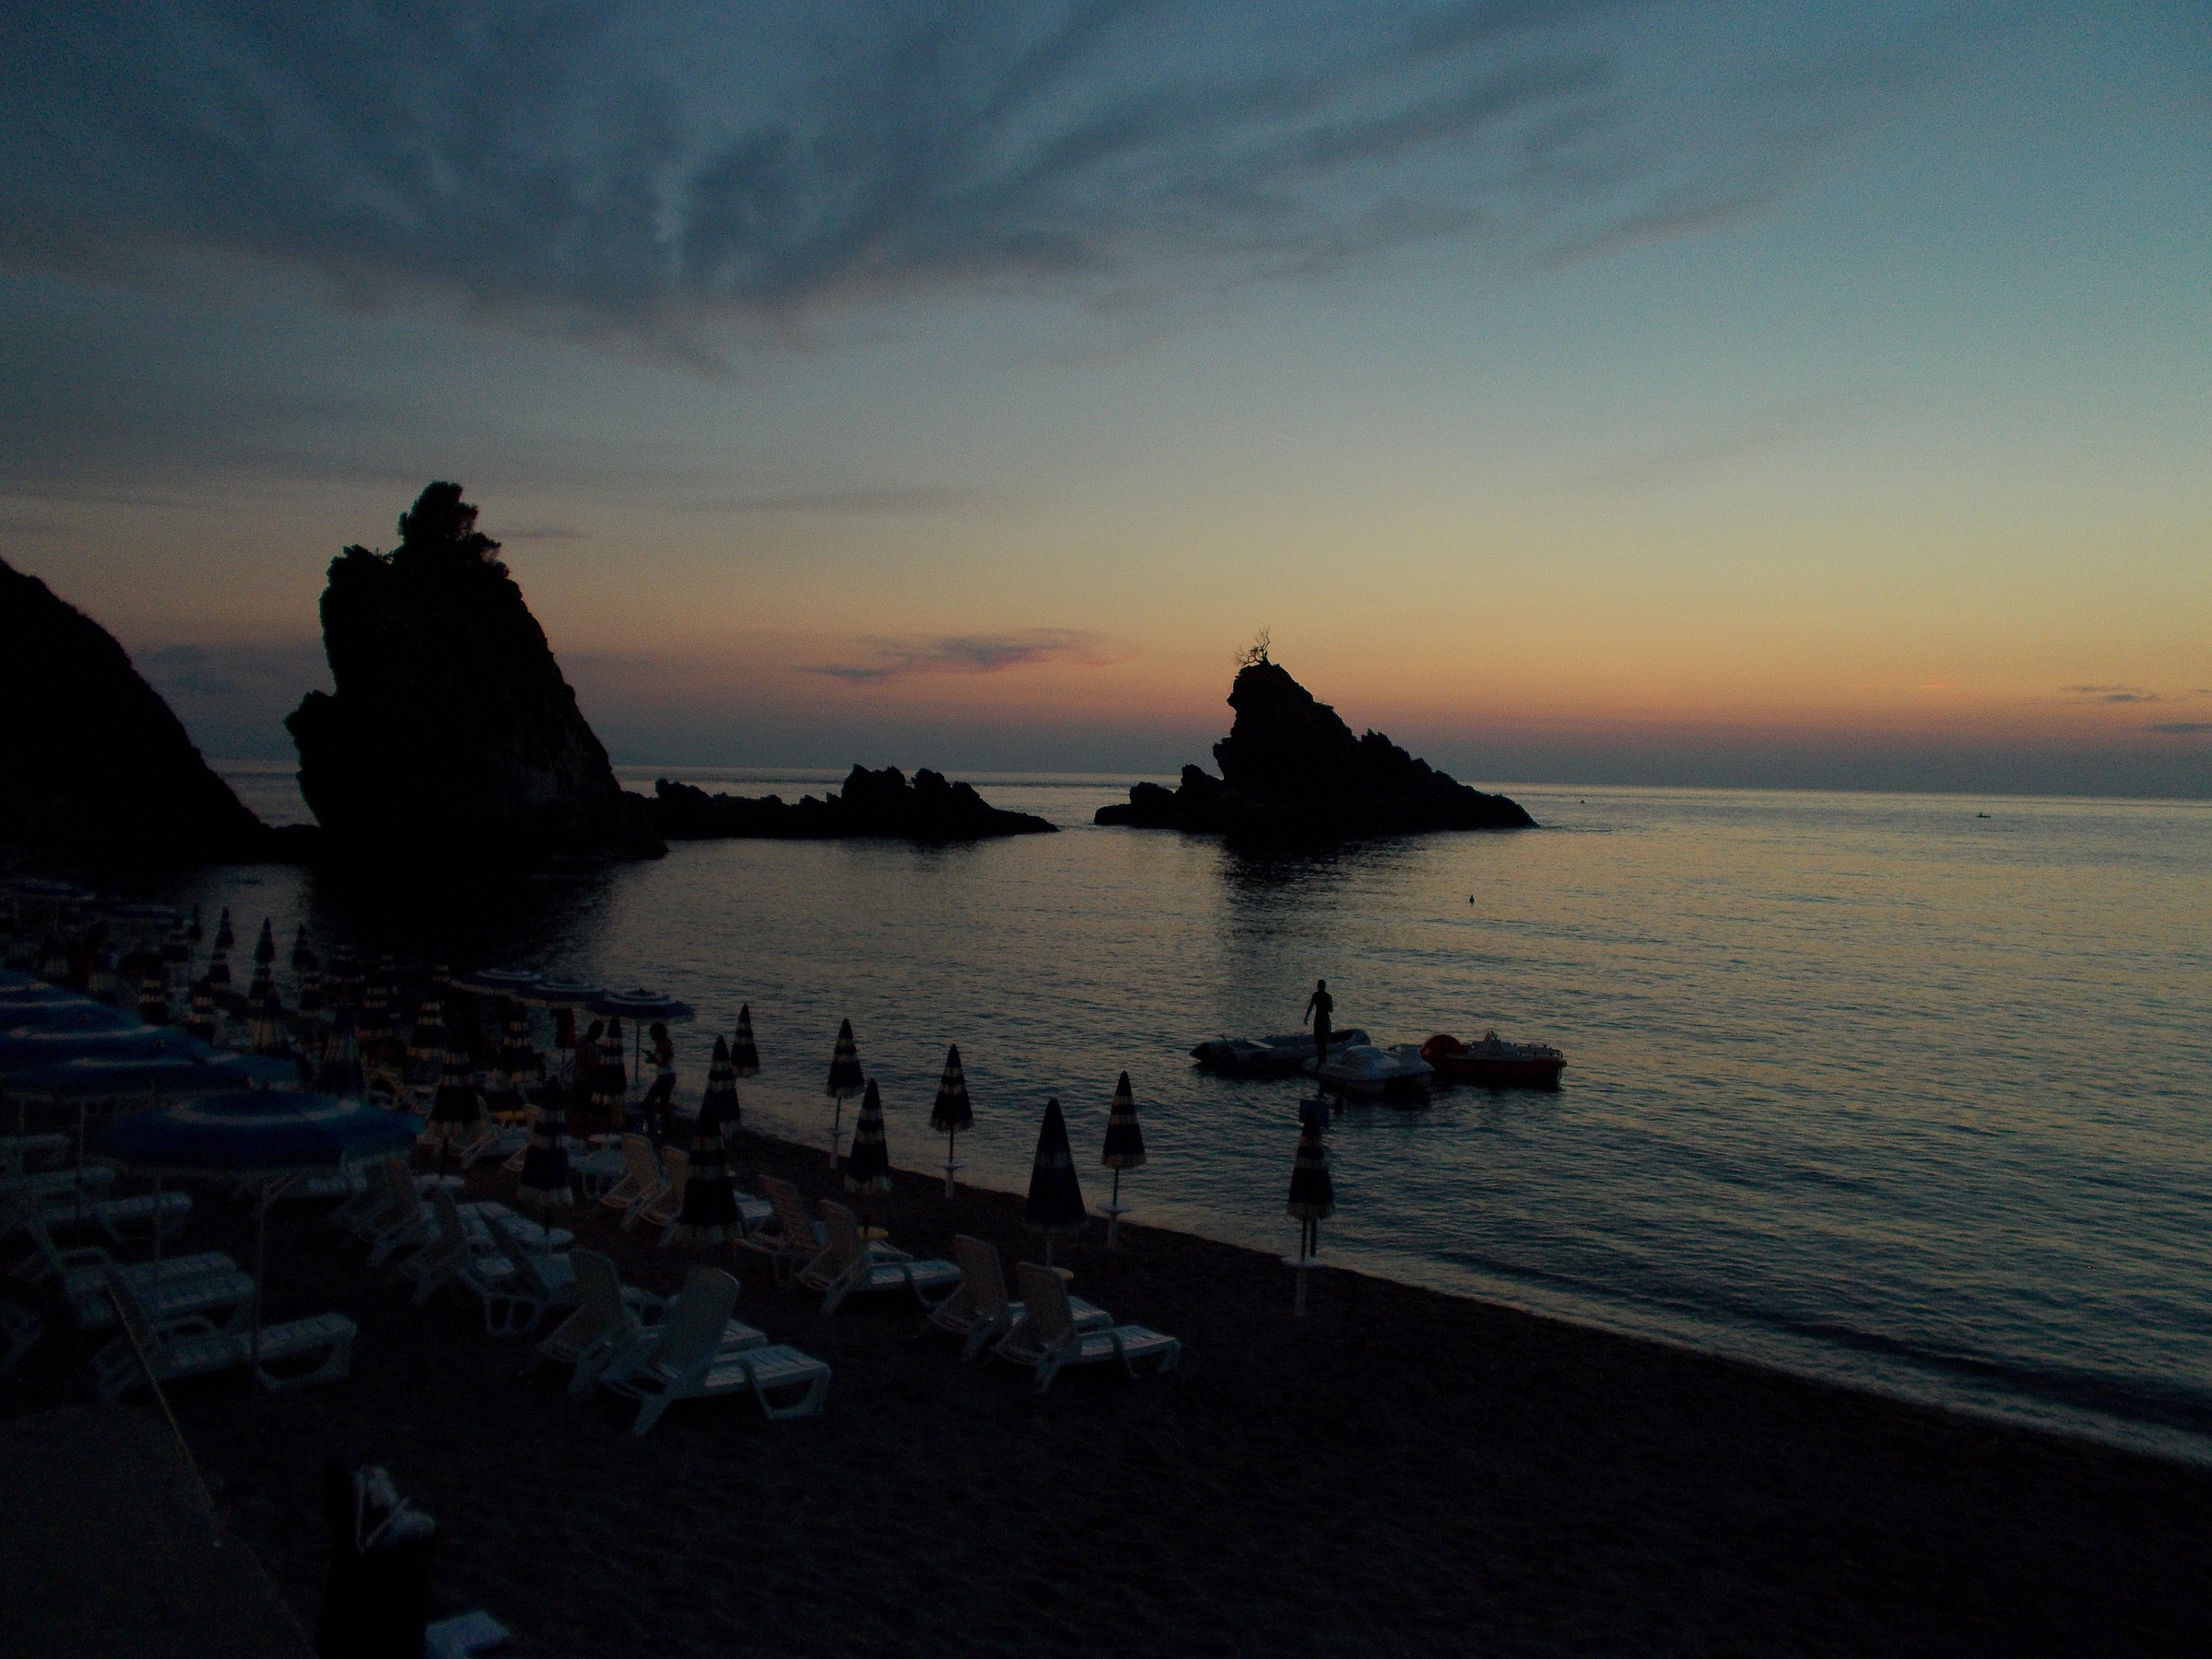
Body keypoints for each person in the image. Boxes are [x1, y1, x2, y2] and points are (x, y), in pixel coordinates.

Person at [640, 1020, 677, 1147]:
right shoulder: (665, 1043)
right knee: (663, 1103)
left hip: (665, 1077)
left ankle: (653, 1127)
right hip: (667, 1076)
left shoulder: (663, 1045)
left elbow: (664, 1063)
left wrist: (652, 1060)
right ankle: (667, 1128)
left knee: (649, 1102)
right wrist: (653, 1057)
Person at [1303, 978, 1335, 1067]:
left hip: (1323, 1021)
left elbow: (1330, 1010)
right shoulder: (1320, 996)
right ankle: (1321, 1061)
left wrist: (1306, 1017)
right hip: (1320, 1021)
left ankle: (1322, 1062)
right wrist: (1306, 1017)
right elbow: (1311, 1007)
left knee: (1322, 1042)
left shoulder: (1323, 996)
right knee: (1319, 1042)